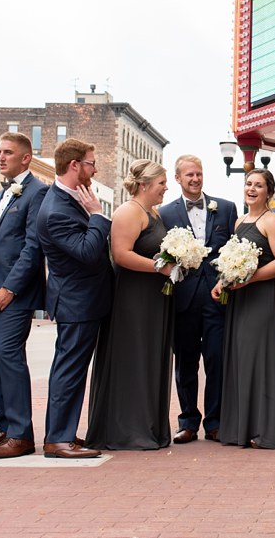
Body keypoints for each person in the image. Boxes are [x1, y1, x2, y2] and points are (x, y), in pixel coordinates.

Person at [0, 132, 48, 460]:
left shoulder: (38, 193)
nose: (1, 157)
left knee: (8, 355)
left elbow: (33, 247)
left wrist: (10, 288)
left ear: (26, 158)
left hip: (16, 293)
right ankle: (3, 427)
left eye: (8, 152)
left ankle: (21, 434)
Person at [87, 159, 176, 450]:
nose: (166, 187)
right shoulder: (128, 212)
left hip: (154, 297)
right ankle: (127, 429)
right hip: (132, 298)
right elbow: (121, 255)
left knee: (149, 358)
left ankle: (148, 426)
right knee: (133, 358)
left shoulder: (154, 213)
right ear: (144, 185)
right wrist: (160, 268)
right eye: (161, 183)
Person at [38, 138, 112, 459]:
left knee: (71, 370)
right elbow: (87, 251)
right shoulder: (56, 209)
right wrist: (97, 215)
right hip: (77, 302)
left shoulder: (70, 198)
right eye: (91, 163)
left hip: (83, 299)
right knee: (69, 371)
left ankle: (62, 433)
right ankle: (58, 439)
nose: (94, 170)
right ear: (74, 166)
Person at [159, 155, 238, 444]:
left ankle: (215, 422)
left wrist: (225, 281)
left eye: (199, 174)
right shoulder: (165, 213)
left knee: (217, 359)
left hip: (217, 297)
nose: (195, 179)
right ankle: (188, 421)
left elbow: (234, 248)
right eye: (189, 175)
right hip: (184, 298)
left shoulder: (225, 208)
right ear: (178, 178)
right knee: (186, 362)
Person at [213, 168, 275, 449]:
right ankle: (241, 427)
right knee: (241, 358)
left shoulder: (273, 222)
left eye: (259, 185)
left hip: (263, 296)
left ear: (269, 192)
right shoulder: (238, 222)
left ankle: (265, 429)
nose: (252, 189)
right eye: (249, 184)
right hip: (240, 298)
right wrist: (223, 280)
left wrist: (250, 278)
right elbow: (233, 261)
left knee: (261, 359)